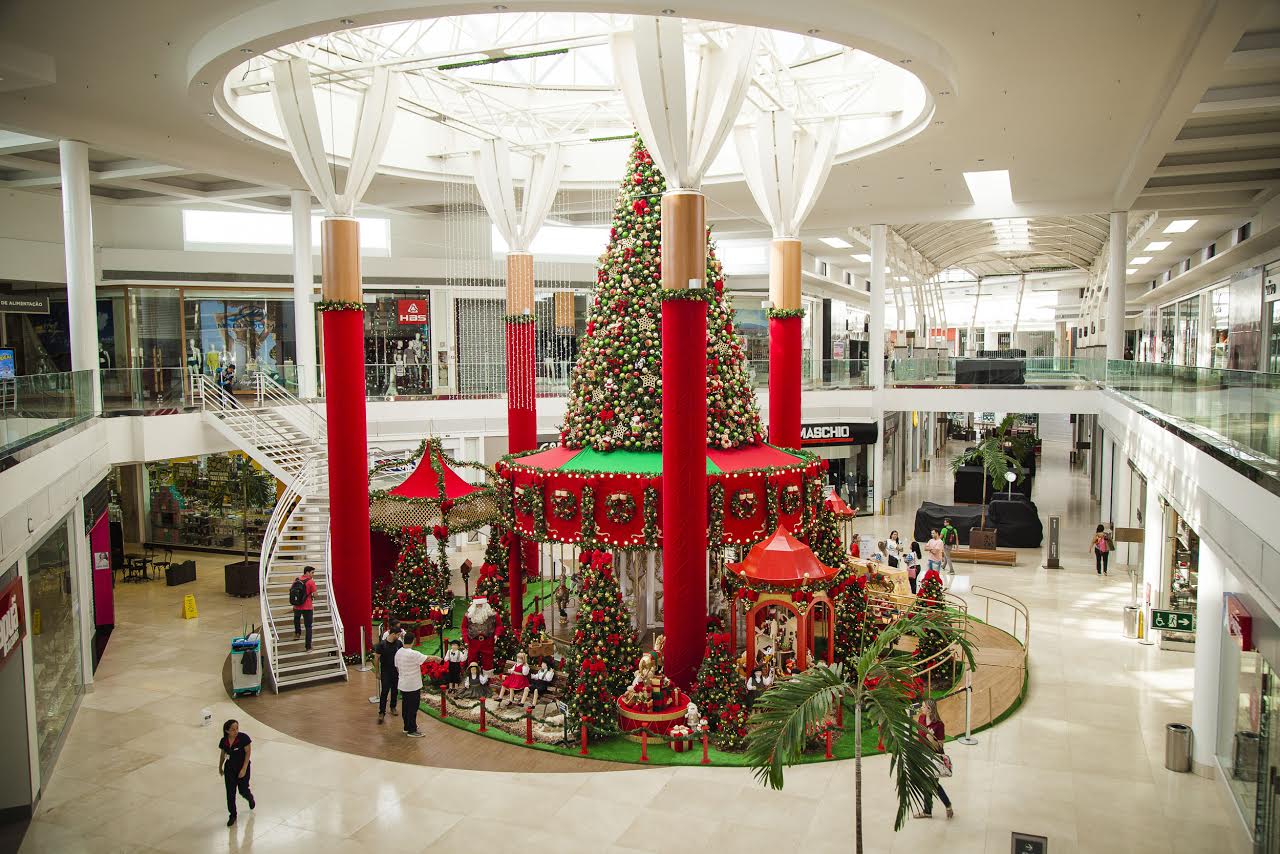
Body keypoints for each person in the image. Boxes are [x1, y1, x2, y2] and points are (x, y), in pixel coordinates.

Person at [913, 699, 953, 819]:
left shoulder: (939, 725)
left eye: (924, 707)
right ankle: (928, 811)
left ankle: (946, 805)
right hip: (922, 756)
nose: (921, 708)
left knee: (933, 784)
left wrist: (931, 738)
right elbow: (918, 735)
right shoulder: (921, 719)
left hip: (934, 758)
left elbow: (940, 746)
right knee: (928, 784)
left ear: (929, 710)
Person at [217, 719, 255, 826]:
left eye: (237, 728)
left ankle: (250, 798)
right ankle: (232, 815)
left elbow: (248, 753)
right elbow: (223, 754)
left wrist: (244, 769)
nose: (236, 731)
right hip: (230, 769)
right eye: (233, 729)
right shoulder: (224, 741)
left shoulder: (244, 738)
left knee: (243, 790)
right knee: (230, 793)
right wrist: (220, 767)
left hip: (243, 768)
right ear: (227, 731)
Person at [394, 633, 429, 738]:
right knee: (413, 707)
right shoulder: (413, 653)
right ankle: (412, 730)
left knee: (406, 706)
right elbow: (426, 658)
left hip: (403, 684)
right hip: (412, 685)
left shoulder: (399, 652)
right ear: (413, 641)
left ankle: (407, 726)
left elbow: (397, 667)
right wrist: (436, 658)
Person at [374, 622, 402, 724]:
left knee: (395, 689)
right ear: (393, 634)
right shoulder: (381, 645)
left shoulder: (399, 644)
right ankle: (381, 712)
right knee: (385, 691)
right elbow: (376, 658)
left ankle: (393, 707)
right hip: (385, 671)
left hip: (396, 671)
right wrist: (377, 672)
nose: (399, 637)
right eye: (398, 635)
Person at [291, 565, 318, 651]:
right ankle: (308, 646)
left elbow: (292, 590)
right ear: (307, 572)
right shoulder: (311, 582)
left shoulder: (297, 579)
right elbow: (315, 594)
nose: (313, 574)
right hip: (307, 607)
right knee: (308, 627)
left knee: (296, 619)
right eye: (312, 573)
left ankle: (297, 633)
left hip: (297, 606)